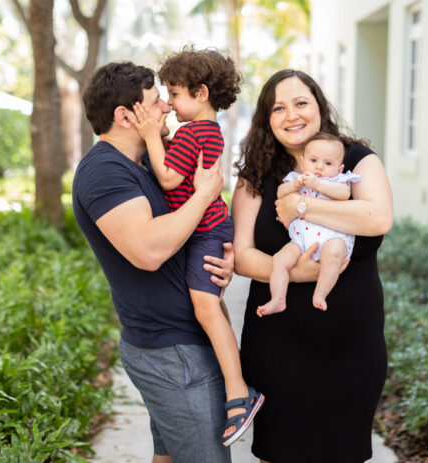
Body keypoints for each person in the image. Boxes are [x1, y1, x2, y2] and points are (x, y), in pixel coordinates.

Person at [72, 61, 235, 463]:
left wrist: (218, 259)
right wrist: (203, 195)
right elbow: (148, 251)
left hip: (182, 346)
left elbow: (180, 235)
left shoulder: (141, 164)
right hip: (171, 352)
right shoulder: (104, 172)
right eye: (155, 100)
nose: (166, 108)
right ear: (125, 115)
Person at [232, 69, 393, 462]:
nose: (292, 115)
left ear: (319, 106)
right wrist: (292, 271)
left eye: (301, 103)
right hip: (277, 351)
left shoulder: (356, 160)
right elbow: (241, 254)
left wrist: (301, 205)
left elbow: (377, 217)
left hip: (351, 348)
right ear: (266, 119)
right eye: (278, 108)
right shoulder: (255, 173)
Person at [131, 47, 263, 447]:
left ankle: (239, 393)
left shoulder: (196, 132)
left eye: (174, 94)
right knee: (211, 307)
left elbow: (170, 179)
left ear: (201, 93)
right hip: (204, 231)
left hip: (205, 233)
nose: (169, 104)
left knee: (206, 306)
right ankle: (235, 381)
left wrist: (152, 136)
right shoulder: (202, 131)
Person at [257, 132, 361, 317]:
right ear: (303, 162)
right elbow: (281, 193)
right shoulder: (296, 178)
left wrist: (318, 184)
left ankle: (320, 294)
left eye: (328, 163)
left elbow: (344, 194)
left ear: (340, 168)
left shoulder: (337, 180)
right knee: (280, 260)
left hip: (332, 237)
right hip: (301, 239)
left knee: (334, 254)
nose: (320, 167)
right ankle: (278, 299)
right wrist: (293, 186)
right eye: (314, 160)